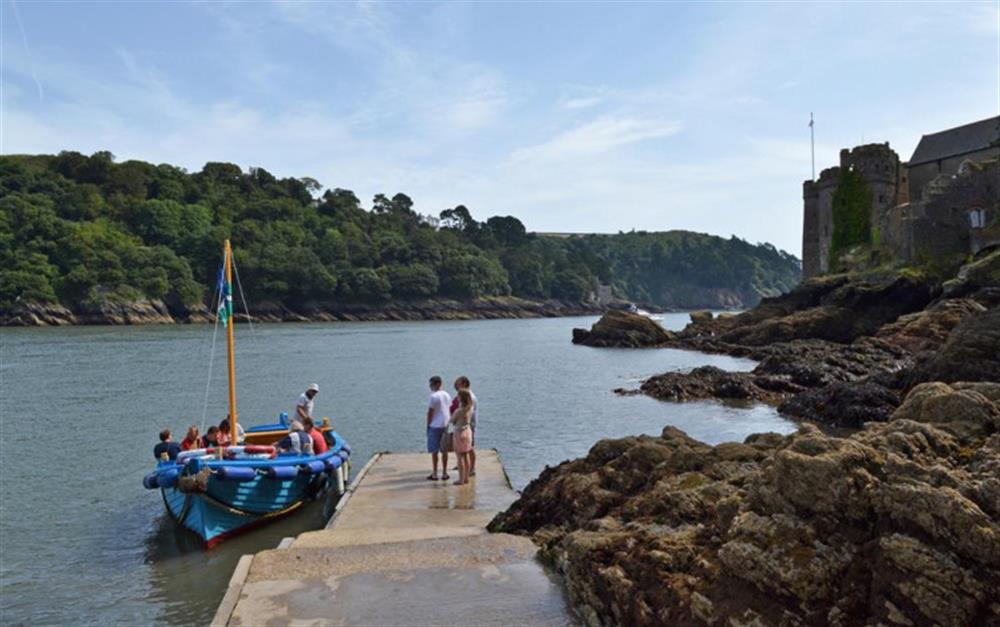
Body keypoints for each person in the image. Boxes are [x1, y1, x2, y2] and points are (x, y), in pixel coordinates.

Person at [449, 376, 478, 476]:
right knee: (466, 449)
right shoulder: (466, 396)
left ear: (465, 383)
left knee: (469, 448)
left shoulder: (470, 397)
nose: (455, 386)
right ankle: (464, 467)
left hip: (468, 425)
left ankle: (471, 468)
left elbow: (466, 412)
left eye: (458, 384)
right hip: (466, 425)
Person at [425, 375, 452, 480]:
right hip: (445, 425)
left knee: (434, 451)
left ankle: (435, 473)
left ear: (437, 384)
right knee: (444, 450)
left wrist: (427, 425)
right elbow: (448, 408)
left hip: (435, 426)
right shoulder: (447, 394)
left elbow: (430, 412)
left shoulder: (433, 396)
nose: (430, 386)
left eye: (431, 384)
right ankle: (445, 473)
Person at [450, 389, 475, 485]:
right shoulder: (470, 408)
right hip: (468, 432)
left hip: (459, 433)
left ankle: (460, 479)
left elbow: (452, 420)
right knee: (466, 455)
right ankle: (466, 478)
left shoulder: (459, 411)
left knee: (459, 457)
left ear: (461, 398)